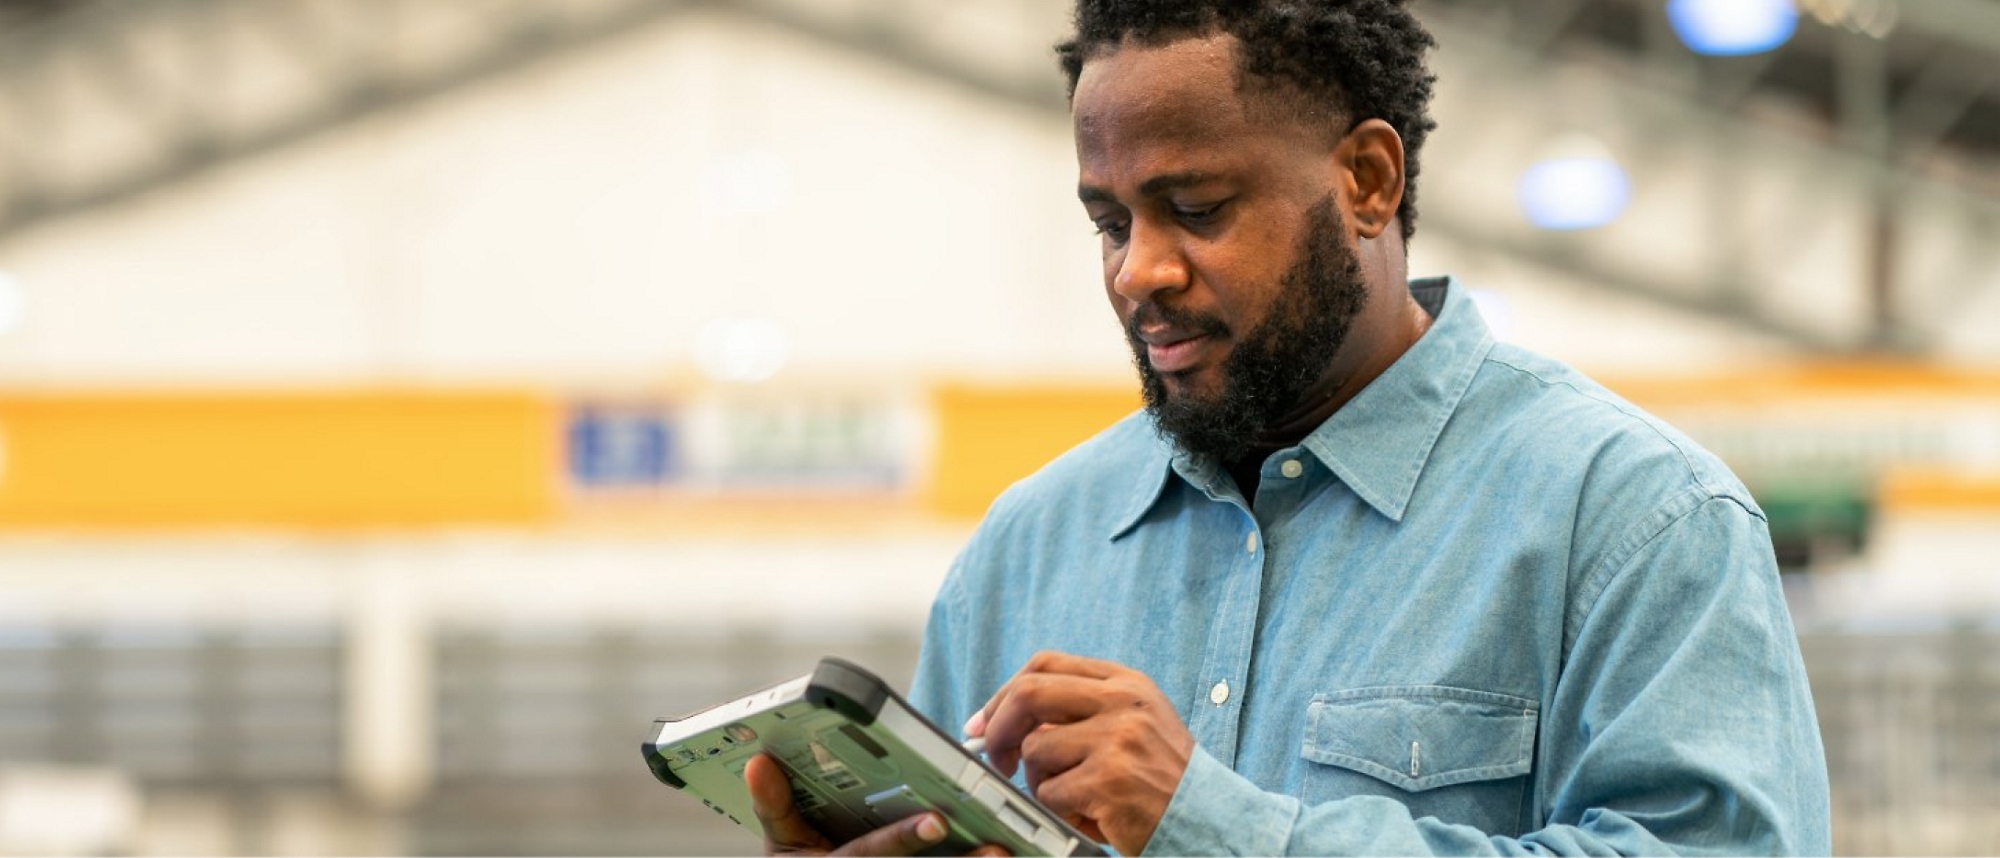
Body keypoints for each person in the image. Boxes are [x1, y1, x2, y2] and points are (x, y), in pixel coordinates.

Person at [747, 0, 1832, 854]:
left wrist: (1213, 829)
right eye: (1109, 221)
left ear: (1365, 180)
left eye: (1199, 210)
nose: (1140, 272)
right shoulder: (1024, 553)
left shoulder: (1635, 522)